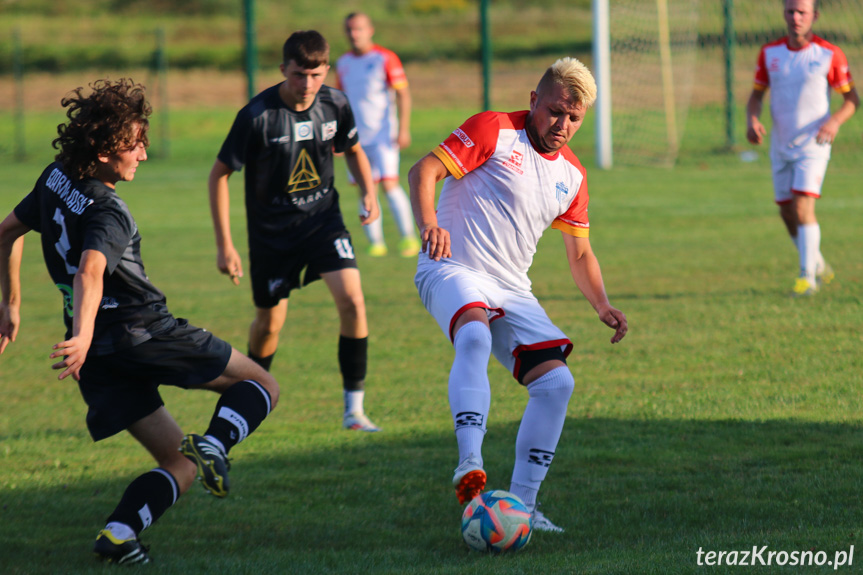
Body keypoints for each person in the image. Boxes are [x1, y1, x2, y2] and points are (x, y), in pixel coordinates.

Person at [0, 78, 279, 565]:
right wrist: (84, 333)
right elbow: (91, 269)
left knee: (178, 462)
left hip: (97, 359)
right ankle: (216, 443)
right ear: (107, 150)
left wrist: (11, 305)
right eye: (135, 145)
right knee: (261, 387)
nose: (143, 156)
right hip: (142, 332)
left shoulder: (55, 176)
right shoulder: (110, 210)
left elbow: (5, 233)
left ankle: (120, 534)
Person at [409, 58, 627, 532]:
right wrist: (429, 224)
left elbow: (580, 254)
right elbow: (424, 170)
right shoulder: (493, 129)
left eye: (574, 118)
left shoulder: (573, 174)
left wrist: (602, 304)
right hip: (453, 268)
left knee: (557, 384)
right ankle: (469, 464)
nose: (562, 125)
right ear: (534, 101)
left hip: (511, 286)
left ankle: (524, 508)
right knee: (474, 334)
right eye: (554, 112)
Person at [208, 30, 382, 432]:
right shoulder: (257, 116)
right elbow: (219, 175)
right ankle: (251, 398)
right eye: (299, 74)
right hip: (272, 235)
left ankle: (353, 411)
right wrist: (225, 246)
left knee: (353, 302)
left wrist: (369, 193)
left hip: (323, 221)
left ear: (326, 71)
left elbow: (353, 149)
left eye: (316, 75)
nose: (307, 84)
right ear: (283, 69)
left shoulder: (336, 103)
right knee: (269, 325)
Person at [745, 0, 858, 296]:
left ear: (815, 16)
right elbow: (756, 95)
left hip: (815, 143)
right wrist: (752, 119)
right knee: (786, 211)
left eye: (802, 12)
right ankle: (818, 262)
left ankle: (807, 278)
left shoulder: (828, 54)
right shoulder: (770, 53)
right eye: (790, 11)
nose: (795, 17)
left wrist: (833, 123)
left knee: (802, 205)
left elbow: (851, 100)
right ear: (784, 14)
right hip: (781, 144)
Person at [336, 11, 420, 258]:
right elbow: (340, 102)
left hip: (384, 136)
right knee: (364, 188)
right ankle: (376, 243)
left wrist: (403, 128)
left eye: (359, 29)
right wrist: (338, 137)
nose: (354, 34)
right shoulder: (343, 63)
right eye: (350, 29)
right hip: (356, 139)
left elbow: (403, 93)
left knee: (389, 184)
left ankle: (408, 238)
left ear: (370, 30)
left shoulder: (385, 58)